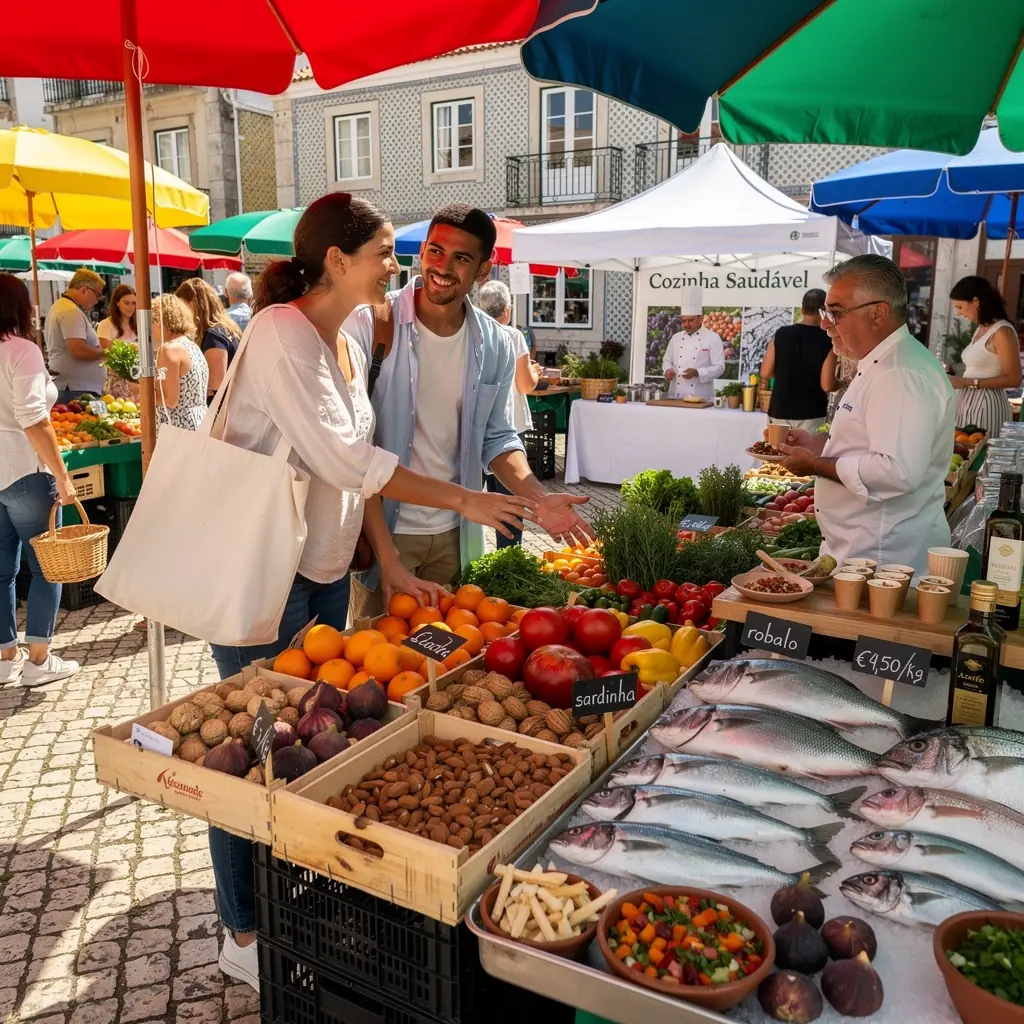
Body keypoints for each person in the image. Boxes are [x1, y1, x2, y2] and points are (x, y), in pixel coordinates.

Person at [204, 193, 534, 993]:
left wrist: (382, 563)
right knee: (246, 757)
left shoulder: (341, 343)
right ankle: (242, 928)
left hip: (318, 574)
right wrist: (465, 501)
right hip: (260, 571)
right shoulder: (283, 334)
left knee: (311, 747)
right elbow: (353, 461)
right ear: (338, 260)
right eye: (387, 251)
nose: (402, 263)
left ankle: (291, 907)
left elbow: (354, 472)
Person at [343, 204, 591, 618]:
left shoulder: (495, 342)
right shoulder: (370, 325)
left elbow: (496, 437)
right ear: (421, 252)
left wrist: (537, 496)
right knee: (378, 665)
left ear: (482, 270)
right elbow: (357, 453)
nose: (443, 267)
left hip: (459, 535)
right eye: (436, 251)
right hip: (384, 532)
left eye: (461, 258)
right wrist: (386, 559)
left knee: (449, 657)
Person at [778, 254, 955, 575]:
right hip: (864, 547)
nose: (824, 323)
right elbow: (872, 443)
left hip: (883, 558)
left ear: (878, 313)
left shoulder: (899, 372)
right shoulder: (883, 362)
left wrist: (816, 464)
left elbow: (897, 470)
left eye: (836, 312)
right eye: (824, 312)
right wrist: (821, 444)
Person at [0, 274, 80, 686]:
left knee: (1, 571)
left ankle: (4, 657)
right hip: (26, 472)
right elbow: (34, 419)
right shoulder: (22, 351)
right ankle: (39, 659)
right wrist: (63, 477)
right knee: (48, 567)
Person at [476, 279, 542, 548]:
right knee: (511, 499)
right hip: (509, 428)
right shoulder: (512, 335)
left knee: (471, 494)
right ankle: (508, 557)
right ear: (507, 309)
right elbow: (526, 385)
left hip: (476, 426)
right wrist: (535, 373)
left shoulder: (473, 333)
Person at [947, 275, 1021, 439]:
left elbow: (1014, 379)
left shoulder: (1001, 331)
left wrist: (968, 382)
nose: (958, 313)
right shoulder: (982, 329)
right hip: (968, 402)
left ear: (976, 301)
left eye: (959, 307)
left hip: (987, 404)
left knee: (979, 456)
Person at [760, 288, 835, 433]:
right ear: (824, 311)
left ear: (802, 309)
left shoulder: (782, 333)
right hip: (811, 411)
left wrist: (786, 374)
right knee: (806, 455)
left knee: (777, 454)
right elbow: (827, 385)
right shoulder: (827, 340)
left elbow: (765, 372)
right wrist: (841, 383)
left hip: (780, 408)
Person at [44, 268, 107, 404]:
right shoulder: (70, 312)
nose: (97, 300)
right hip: (75, 389)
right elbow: (78, 350)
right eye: (97, 295)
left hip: (74, 387)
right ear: (84, 290)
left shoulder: (66, 307)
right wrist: (107, 354)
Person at [175, 277, 243, 401]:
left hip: (220, 412)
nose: (179, 313)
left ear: (192, 304)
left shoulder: (214, 334)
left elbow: (215, 383)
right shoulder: (223, 329)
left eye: (181, 306)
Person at [152, 294, 210, 433]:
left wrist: (143, 393)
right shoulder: (192, 346)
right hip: (200, 422)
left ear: (161, 321)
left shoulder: (168, 349)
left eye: (152, 321)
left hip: (177, 428)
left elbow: (170, 399)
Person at [661, 287, 725, 401]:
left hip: (701, 397)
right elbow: (667, 360)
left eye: (690, 320)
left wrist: (698, 372)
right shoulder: (676, 338)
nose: (686, 324)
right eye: (683, 321)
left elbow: (719, 367)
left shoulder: (713, 338)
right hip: (676, 395)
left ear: (700, 318)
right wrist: (668, 370)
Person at [96, 284, 138, 402]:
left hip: (139, 382)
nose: (131, 307)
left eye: (133, 303)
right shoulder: (106, 325)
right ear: (117, 303)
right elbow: (110, 355)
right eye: (126, 303)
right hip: (117, 383)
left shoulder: (139, 325)